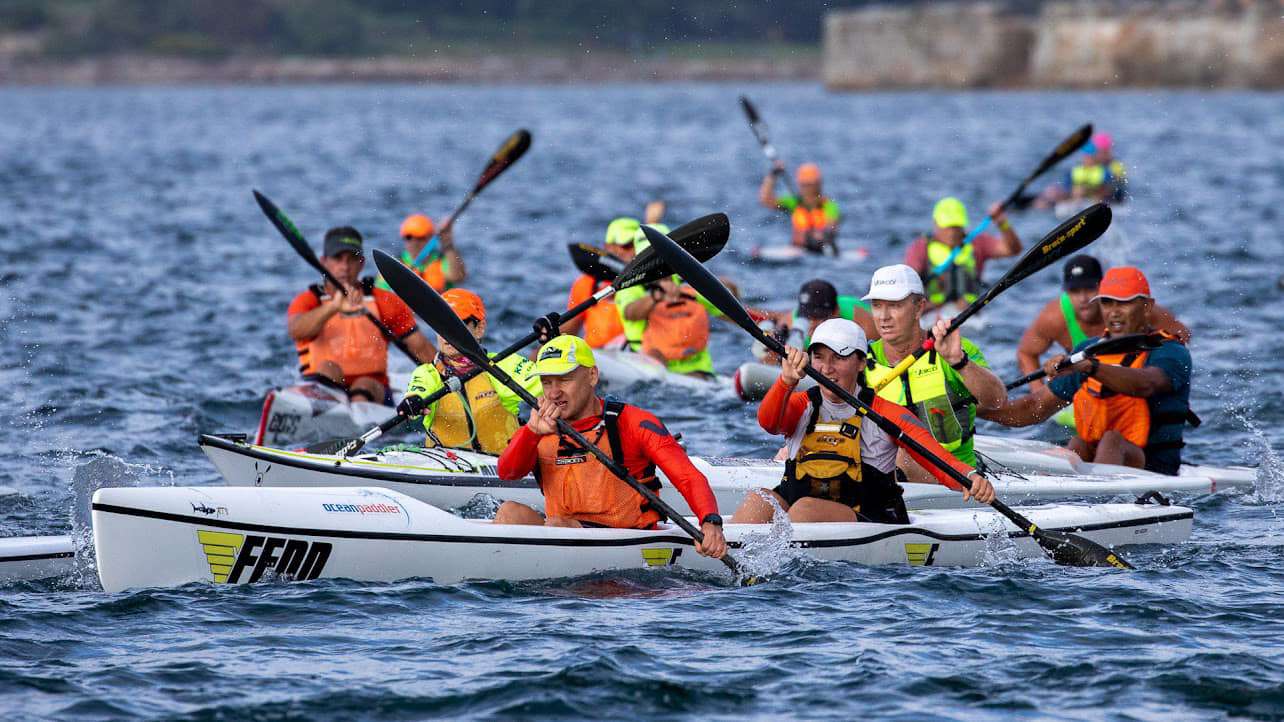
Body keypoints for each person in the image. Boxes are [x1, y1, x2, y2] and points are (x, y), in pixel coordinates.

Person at [731, 318, 995, 524]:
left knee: (804, 510)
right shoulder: (803, 405)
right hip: (804, 509)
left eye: (839, 357)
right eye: (819, 357)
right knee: (759, 500)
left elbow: (936, 458)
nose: (827, 368)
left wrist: (969, 477)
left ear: (860, 363)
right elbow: (769, 423)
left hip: (870, 518)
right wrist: (785, 381)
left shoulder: (885, 413)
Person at [493, 335, 727, 558]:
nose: (554, 392)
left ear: (592, 375)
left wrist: (710, 522)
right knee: (509, 512)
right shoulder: (538, 427)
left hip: (627, 541)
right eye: (546, 382)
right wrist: (531, 433)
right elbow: (507, 473)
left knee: (556, 525)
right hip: (561, 534)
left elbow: (687, 477)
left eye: (564, 379)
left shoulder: (634, 423)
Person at [985, 267, 1196, 475]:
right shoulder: (1088, 351)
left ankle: (1094, 491)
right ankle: (1065, 488)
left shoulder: (1170, 351)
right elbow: (1033, 409)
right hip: (1104, 460)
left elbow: (1146, 384)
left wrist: (1090, 367)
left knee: (1112, 440)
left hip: (1156, 469)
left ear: (1147, 306)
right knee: (1078, 443)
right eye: (1107, 302)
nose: (1114, 311)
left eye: (1124, 303)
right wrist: (979, 410)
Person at [862, 265, 1006, 477]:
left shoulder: (953, 349)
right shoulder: (862, 360)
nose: (883, 316)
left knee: (903, 455)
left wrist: (959, 362)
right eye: (877, 305)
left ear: (919, 308)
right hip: (885, 479)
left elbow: (997, 401)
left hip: (957, 479)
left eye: (894, 306)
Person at [287, 227, 437, 404]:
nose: (345, 267)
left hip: (373, 393)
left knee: (364, 384)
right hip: (322, 391)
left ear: (362, 263)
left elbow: (420, 347)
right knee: (328, 368)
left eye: (352, 259)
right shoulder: (308, 301)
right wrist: (333, 307)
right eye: (337, 258)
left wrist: (448, 372)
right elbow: (296, 331)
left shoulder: (384, 301)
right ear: (323, 262)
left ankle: (357, 407)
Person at [397, 288, 541, 455]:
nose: (446, 333)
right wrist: (412, 403)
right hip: (447, 465)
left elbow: (551, 384)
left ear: (479, 328)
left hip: (502, 464)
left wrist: (553, 340)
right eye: (440, 324)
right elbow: (417, 392)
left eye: (456, 324)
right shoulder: (427, 374)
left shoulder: (503, 365)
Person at [1016, 255, 1190, 391]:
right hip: (1085, 385)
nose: (1083, 298)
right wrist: (1038, 392)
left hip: (1135, 381)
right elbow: (1026, 353)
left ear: (1102, 287)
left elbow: (1182, 335)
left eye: (1090, 288)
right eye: (1075, 291)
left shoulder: (1137, 310)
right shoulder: (1053, 318)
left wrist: (1157, 367)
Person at [560, 205, 665, 349]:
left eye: (636, 244)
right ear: (608, 248)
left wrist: (652, 223)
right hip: (599, 354)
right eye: (626, 246)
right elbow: (569, 330)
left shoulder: (651, 279)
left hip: (637, 353)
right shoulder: (586, 284)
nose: (633, 252)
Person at [904, 197, 1022, 311]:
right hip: (932, 312)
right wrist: (929, 307)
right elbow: (908, 285)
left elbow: (1013, 249)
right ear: (936, 224)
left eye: (956, 227)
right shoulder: (920, 248)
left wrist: (1002, 223)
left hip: (970, 313)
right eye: (948, 227)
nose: (952, 233)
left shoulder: (977, 243)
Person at [757, 279, 877, 365]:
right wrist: (777, 355)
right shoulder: (791, 325)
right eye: (807, 317)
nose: (811, 324)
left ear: (836, 312)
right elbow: (764, 361)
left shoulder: (864, 324)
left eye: (818, 317)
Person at [759, 162, 840, 253]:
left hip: (822, 249)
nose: (807, 189)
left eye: (810, 185)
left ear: (818, 185)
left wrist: (822, 234)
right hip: (798, 250)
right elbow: (766, 200)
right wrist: (773, 174)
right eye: (804, 185)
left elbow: (832, 226)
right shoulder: (794, 202)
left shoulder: (829, 205)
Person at [375, 213, 466, 293]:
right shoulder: (394, 265)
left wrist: (448, 244)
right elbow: (380, 292)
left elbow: (458, 277)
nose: (414, 243)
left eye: (420, 238)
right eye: (409, 237)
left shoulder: (442, 261)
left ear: (430, 238)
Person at [1037, 132, 1128, 207]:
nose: (1086, 158)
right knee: (1052, 193)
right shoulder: (1076, 170)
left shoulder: (1108, 170)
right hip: (1078, 199)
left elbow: (1114, 190)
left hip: (1101, 199)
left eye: (1090, 155)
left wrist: (1088, 190)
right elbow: (1066, 187)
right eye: (1086, 155)